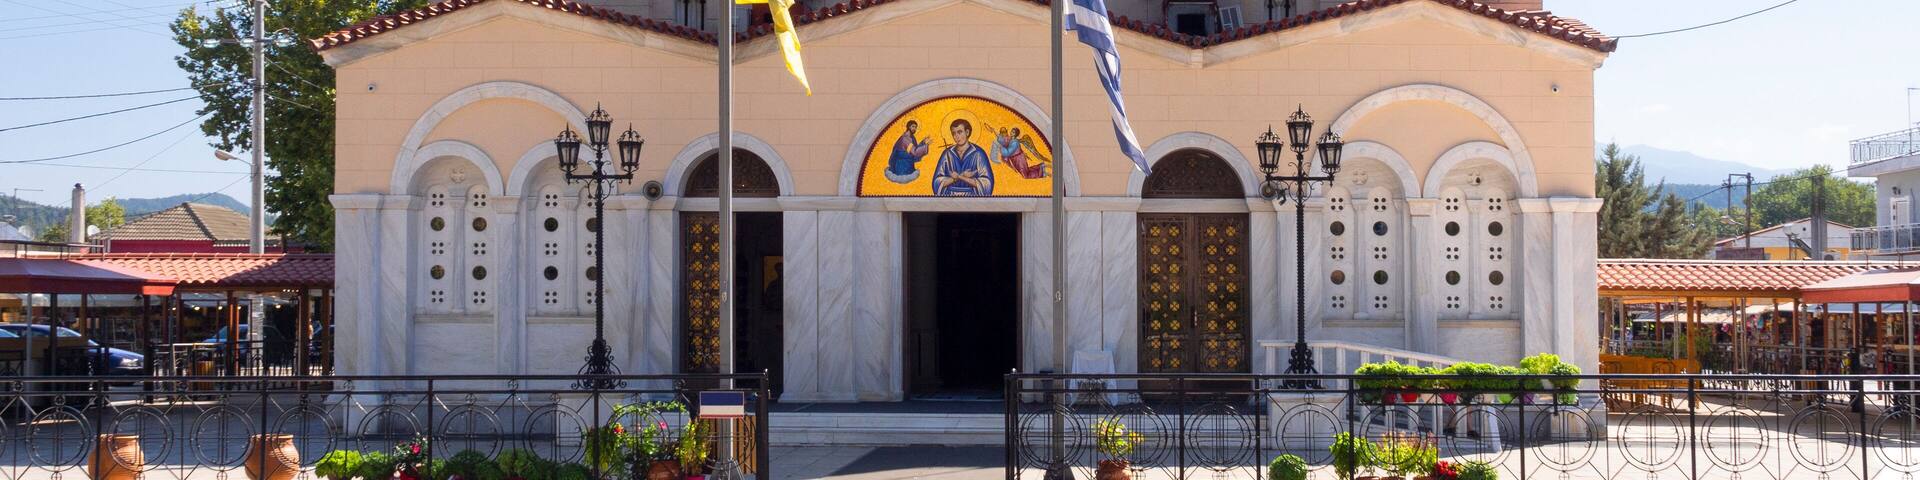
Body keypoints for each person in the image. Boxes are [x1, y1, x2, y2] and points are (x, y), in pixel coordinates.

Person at [932, 119, 994, 196]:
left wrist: (959, 177)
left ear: (967, 132)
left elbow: (987, 184)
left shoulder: (979, 153)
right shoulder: (947, 154)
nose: (956, 136)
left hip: (972, 198)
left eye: (959, 132)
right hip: (949, 197)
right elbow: (936, 183)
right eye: (953, 133)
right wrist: (962, 176)